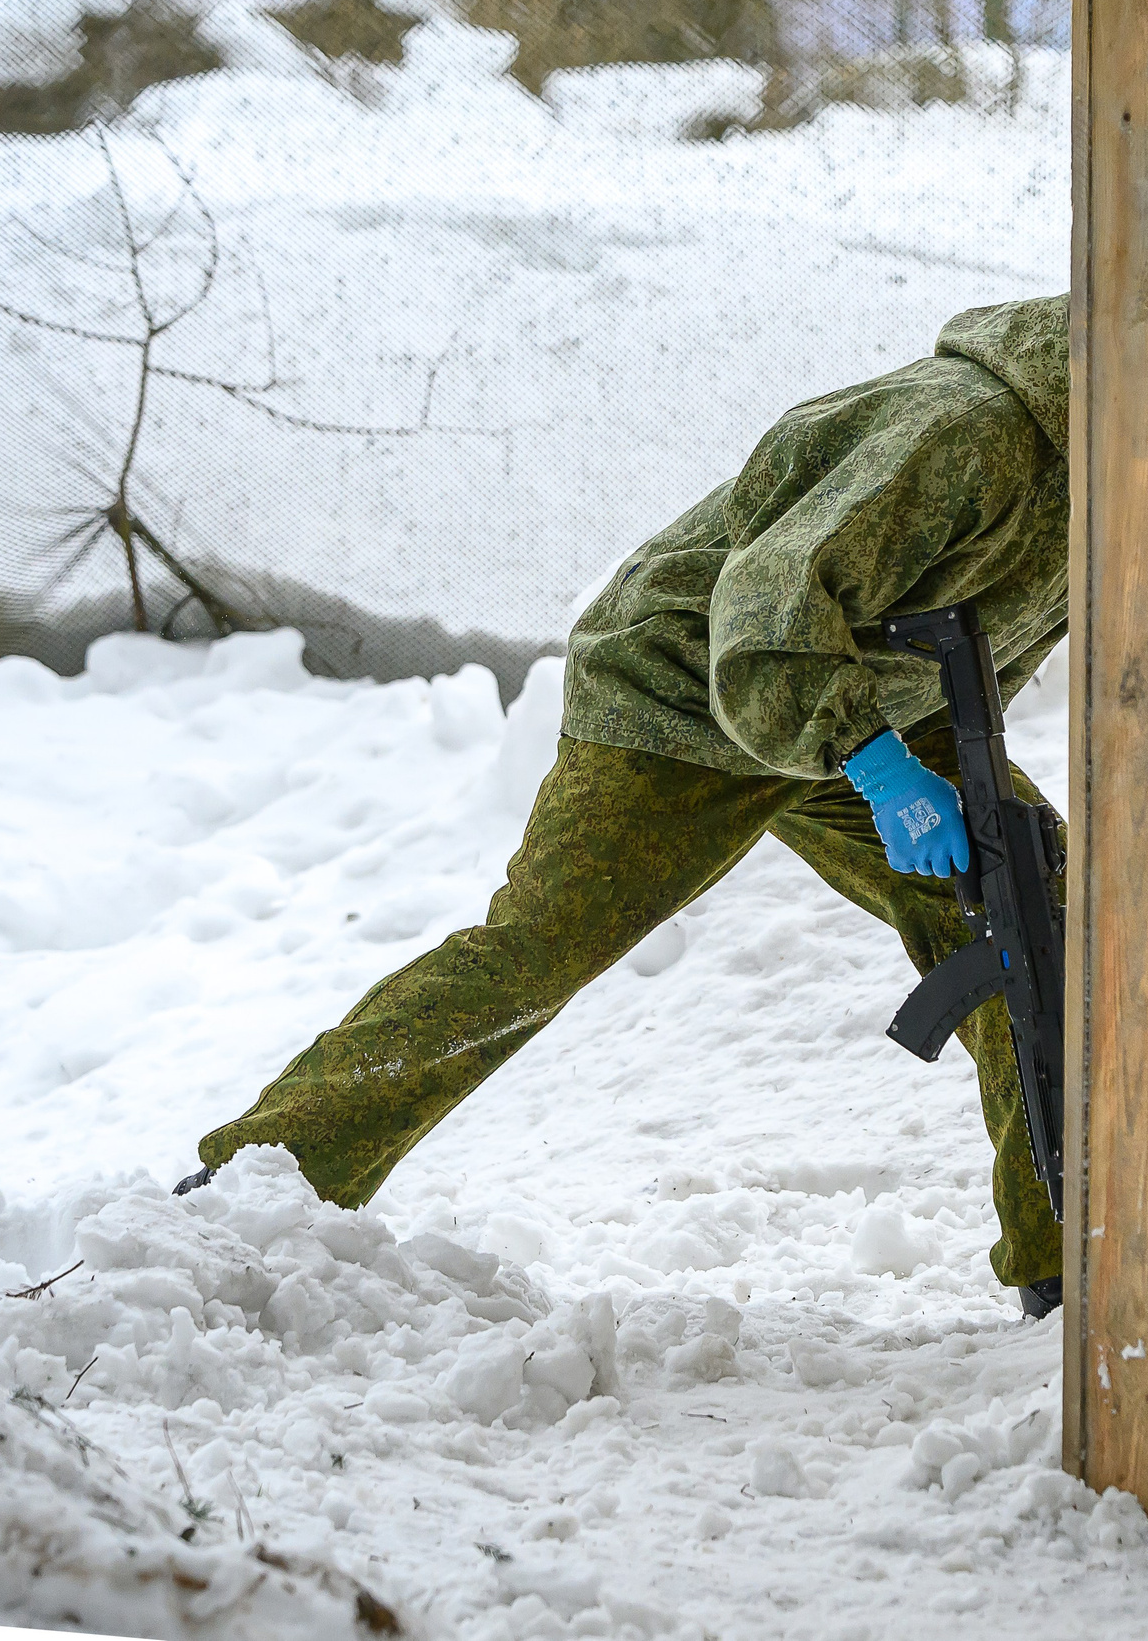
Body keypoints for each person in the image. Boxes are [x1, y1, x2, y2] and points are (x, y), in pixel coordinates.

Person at [182, 295, 1071, 1317]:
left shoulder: (1114, 481)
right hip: (683, 692)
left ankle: (1071, 1258)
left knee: (1040, 924)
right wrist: (881, 775)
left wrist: (912, 760)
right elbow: (769, 604)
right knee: (537, 953)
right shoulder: (969, 435)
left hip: (869, 706)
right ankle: (252, 1189)